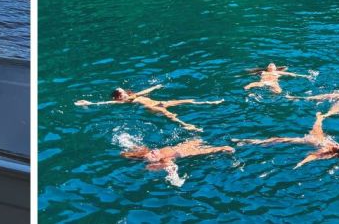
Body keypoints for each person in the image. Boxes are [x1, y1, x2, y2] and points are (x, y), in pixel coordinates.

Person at [234, 112, 339, 168]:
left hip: (309, 140)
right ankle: (319, 117)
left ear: (334, 150)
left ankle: (249, 141)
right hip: (318, 137)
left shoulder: (325, 151)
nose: (338, 144)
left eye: (337, 146)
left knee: (278, 139)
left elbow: (311, 157)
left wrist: (300, 164)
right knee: (319, 122)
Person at [74, 84, 223, 131]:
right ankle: (187, 125)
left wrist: (155, 87)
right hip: (152, 108)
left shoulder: (133, 95)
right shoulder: (124, 102)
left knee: (186, 100)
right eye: (121, 93)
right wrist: (88, 103)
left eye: (124, 91)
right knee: (169, 114)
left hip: (158, 102)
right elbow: (106, 103)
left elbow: (145, 92)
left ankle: (209, 103)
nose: (124, 93)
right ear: (118, 97)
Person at [122, 138, 234, 186]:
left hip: (185, 145)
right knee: (207, 150)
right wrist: (175, 179)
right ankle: (224, 146)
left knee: (199, 139)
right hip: (186, 152)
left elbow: (137, 148)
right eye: (152, 155)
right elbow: (172, 169)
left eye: (152, 152)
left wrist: (126, 142)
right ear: (155, 161)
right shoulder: (166, 160)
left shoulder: (156, 152)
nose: (154, 152)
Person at [244, 62, 311, 94]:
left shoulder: (278, 72)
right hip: (263, 82)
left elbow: (290, 74)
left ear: (275, 68)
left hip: (273, 83)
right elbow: (251, 74)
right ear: (267, 67)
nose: (271, 65)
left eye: (273, 65)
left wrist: (304, 76)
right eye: (270, 65)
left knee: (279, 91)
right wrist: (240, 76)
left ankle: (270, 92)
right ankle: (249, 93)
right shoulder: (262, 72)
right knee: (248, 86)